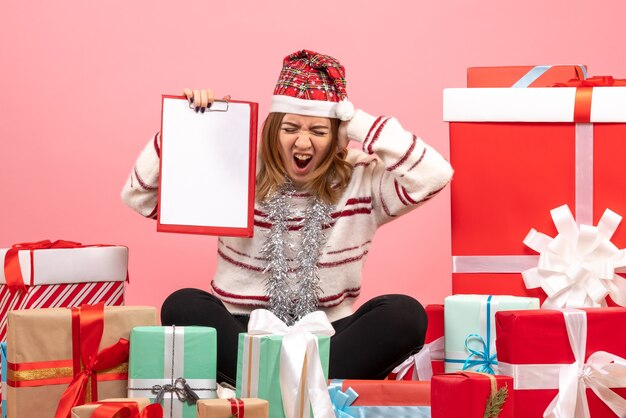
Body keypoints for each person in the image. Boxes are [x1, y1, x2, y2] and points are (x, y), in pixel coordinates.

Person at [122, 49, 453, 386]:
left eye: (320, 131)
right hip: (243, 331)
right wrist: (186, 128)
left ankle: (267, 386)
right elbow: (139, 195)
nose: (303, 141)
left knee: (405, 314)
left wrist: (357, 122)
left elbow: (435, 175)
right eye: (291, 128)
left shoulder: (362, 178)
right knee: (182, 305)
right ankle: (302, 388)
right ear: (273, 131)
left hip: (328, 335)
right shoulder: (238, 171)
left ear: (338, 137)